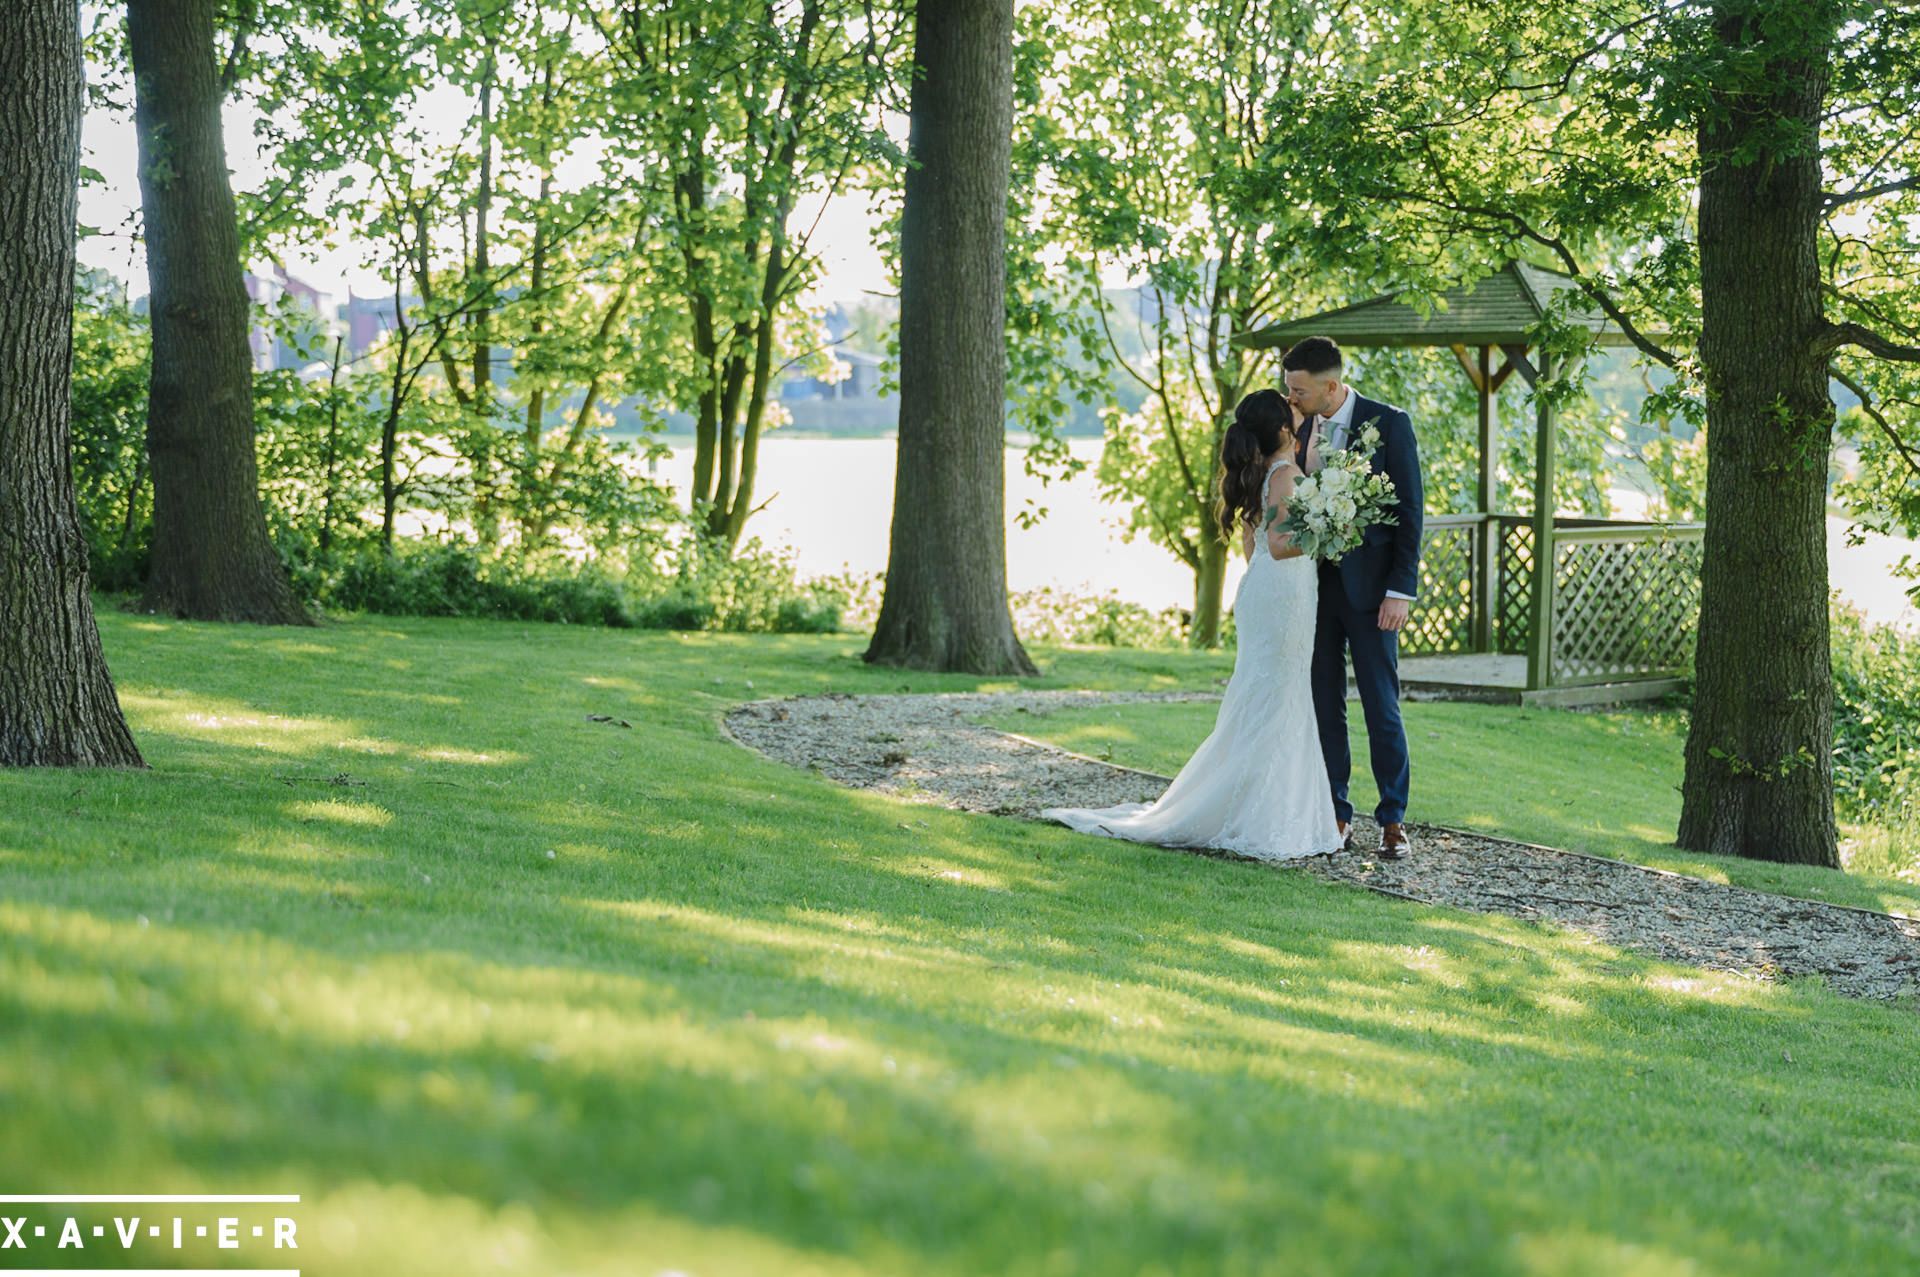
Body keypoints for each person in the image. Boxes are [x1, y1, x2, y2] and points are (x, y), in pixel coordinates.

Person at [1040, 389, 1343, 862]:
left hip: (1271, 592)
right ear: (1284, 429)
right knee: (1276, 698)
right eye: (1291, 408)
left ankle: (1257, 807)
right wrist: (1329, 531)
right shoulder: (1285, 475)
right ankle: (1258, 816)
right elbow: (1284, 546)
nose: (1297, 407)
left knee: (1267, 697)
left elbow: (1256, 545)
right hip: (1284, 596)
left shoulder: (1268, 472)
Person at [1282, 336, 1424, 859]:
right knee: (1324, 704)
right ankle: (1335, 812)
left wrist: (1400, 591)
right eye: (1288, 388)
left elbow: (1410, 512)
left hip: (1373, 595)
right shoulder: (1293, 429)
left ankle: (1393, 819)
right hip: (1312, 590)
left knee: (1382, 707)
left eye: (1299, 390)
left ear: (1332, 386)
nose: (1291, 397)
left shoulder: (1389, 424)